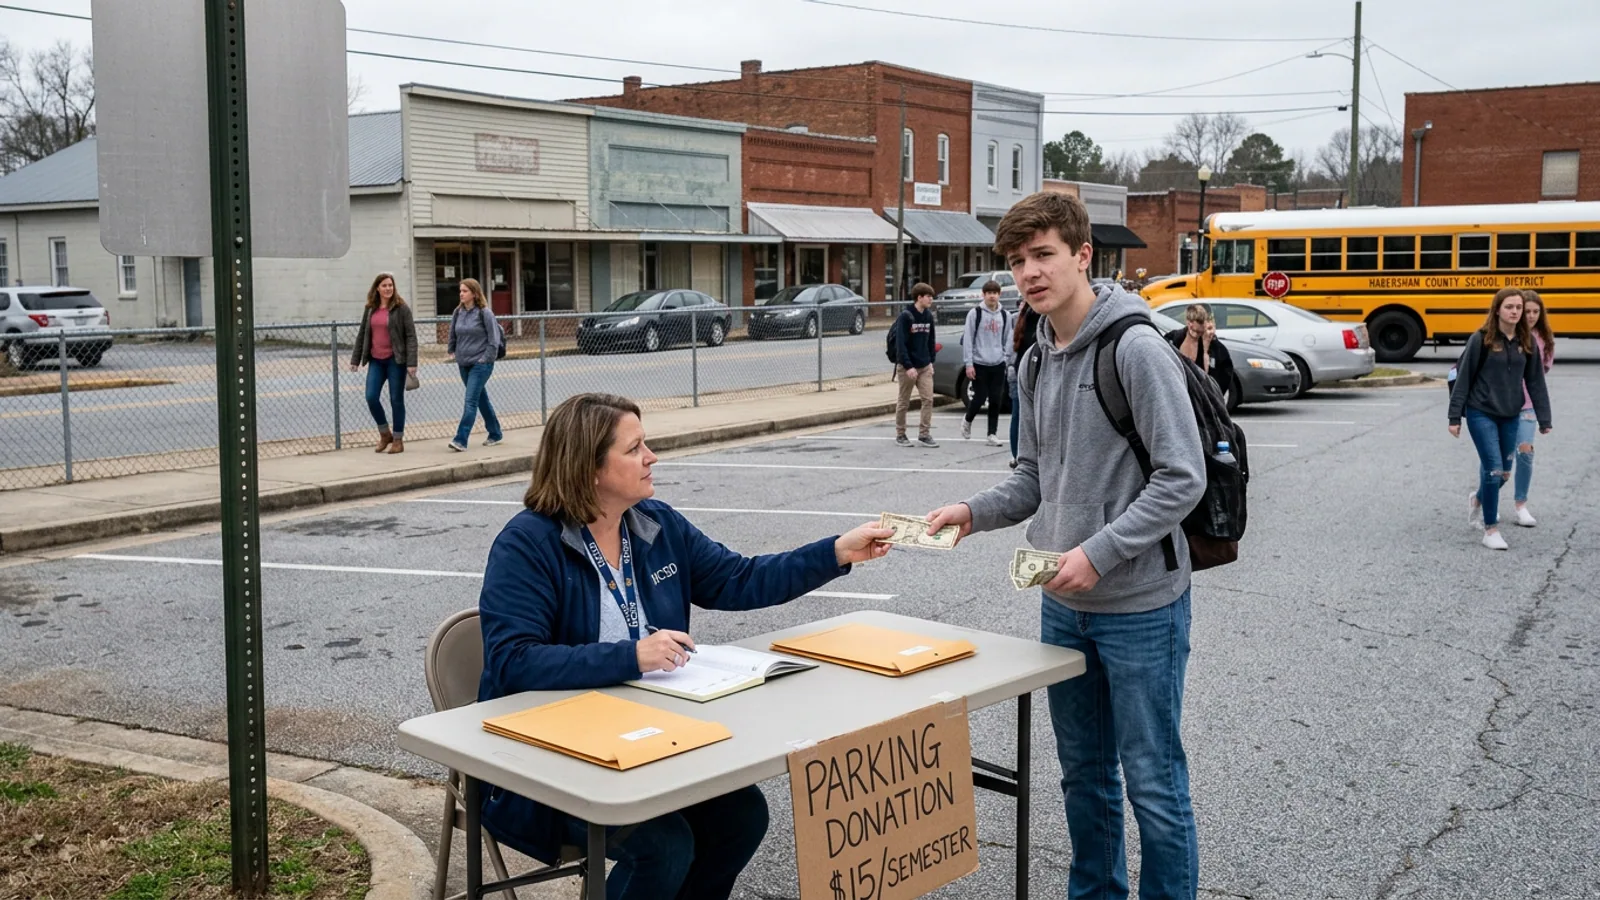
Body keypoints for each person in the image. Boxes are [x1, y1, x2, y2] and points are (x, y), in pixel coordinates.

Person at [475, 393, 893, 900]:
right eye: (635, 449)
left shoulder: (655, 524)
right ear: (589, 470)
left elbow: (739, 578)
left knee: (743, 816)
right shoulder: (527, 544)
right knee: (663, 845)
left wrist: (834, 553)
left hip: (646, 740)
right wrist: (632, 655)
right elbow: (513, 661)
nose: (652, 457)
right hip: (549, 759)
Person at [924, 191, 1206, 899]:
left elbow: (1183, 479)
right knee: (1083, 778)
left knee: (1153, 784)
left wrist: (1100, 553)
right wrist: (970, 511)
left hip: (1141, 605)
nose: (1029, 272)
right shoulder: (1033, 359)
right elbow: (1031, 480)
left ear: (1082, 256)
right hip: (1064, 604)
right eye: (1017, 261)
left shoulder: (1136, 347)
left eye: (1043, 255)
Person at [1448, 287, 1552, 550]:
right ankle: (1490, 529)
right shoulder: (1480, 339)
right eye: (1510, 307)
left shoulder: (1526, 343)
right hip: (1480, 411)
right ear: (1497, 310)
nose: (1516, 311)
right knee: (1493, 469)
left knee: (1504, 474)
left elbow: (1536, 382)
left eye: (1519, 307)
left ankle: (1478, 499)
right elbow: (1464, 378)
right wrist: (1455, 416)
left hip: (1511, 414)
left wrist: (1544, 417)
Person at [348, 272, 417, 454]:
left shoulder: (401, 308)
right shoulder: (371, 308)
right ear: (377, 288)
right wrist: (355, 359)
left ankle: (398, 439)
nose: (388, 288)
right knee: (371, 397)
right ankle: (384, 433)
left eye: (390, 285)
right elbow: (363, 334)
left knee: (396, 400)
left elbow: (411, 336)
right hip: (376, 360)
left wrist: (411, 362)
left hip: (396, 360)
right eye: (384, 285)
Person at [1511, 289, 1555, 527]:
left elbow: (1542, 372)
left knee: (1525, 452)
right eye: (1526, 311)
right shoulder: (1508, 335)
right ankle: (1482, 498)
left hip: (1527, 405)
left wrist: (1544, 416)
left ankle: (1521, 505)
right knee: (1499, 461)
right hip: (1503, 405)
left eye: (1535, 311)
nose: (1530, 316)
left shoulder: (1544, 338)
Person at [446, 278, 505, 452]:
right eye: (460, 291)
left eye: (465, 291)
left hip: (481, 364)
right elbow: (453, 332)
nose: (461, 294)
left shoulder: (484, 313)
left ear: (474, 293)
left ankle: (461, 439)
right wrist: (452, 349)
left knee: (470, 401)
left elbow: (494, 340)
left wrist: (485, 359)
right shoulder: (459, 312)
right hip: (463, 363)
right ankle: (495, 433)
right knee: (481, 399)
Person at [961, 280, 1011, 446]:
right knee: (980, 397)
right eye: (989, 293)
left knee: (996, 399)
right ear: (983, 295)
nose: (992, 296)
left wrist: (1006, 358)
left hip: (998, 363)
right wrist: (969, 363)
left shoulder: (1005, 315)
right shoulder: (975, 314)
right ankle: (968, 420)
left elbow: (1007, 339)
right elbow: (968, 339)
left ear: (999, 295)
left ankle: (992, 433)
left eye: (995, 293)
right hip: (979, 363)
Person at [893, 282, 939, 449]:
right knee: (904, 401)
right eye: (928, 297)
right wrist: (908, 365)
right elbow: (901, 344)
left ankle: (924, 434)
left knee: (928, 399)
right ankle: (900, 434)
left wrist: (931, 361)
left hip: (925, 365)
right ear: (919, 297)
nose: (931, 300)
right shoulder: (906, 316)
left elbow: (931, 339)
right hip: (907, 367)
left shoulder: (928, 316)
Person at [1165, 303, 1235, 399]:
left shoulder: (1214, 346)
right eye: (1194, 330)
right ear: (1189, 323)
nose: (1196, 335)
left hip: (1203, 398)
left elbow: (1221, 374)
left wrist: (1206, 349)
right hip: (1178, 394)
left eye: (1200, 332)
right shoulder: (1173, 339)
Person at [1006, 302, 1041, 469]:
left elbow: (1009, 347)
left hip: (1017, 370)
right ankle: (1027, 458)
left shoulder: (1018, 318)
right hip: (1031, 373)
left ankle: (1016, 456)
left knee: (1018, 416)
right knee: (1030, 417)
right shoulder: (1040, 318)